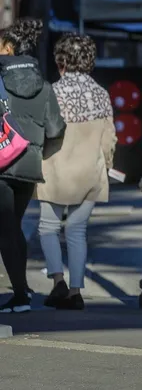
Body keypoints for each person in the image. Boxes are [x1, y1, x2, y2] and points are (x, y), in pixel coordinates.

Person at [35, 34, 117, 310]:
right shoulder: (101, 95)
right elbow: (109, 139)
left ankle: (57, 279)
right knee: (77, 231)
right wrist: (106, 163)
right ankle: (76, 290)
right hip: (89, 172)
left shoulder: (52, 93)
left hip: (55, 169)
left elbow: (43, 133)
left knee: (48, 228)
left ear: (61, 62)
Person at [0, 19, 66, 313]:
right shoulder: (45, 86)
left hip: (0, 163)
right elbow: (55, 129)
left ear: (9, 48)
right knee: (13, 227)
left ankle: (20, 295)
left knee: (6, 229)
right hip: (28, 164)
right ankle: (21, 290)